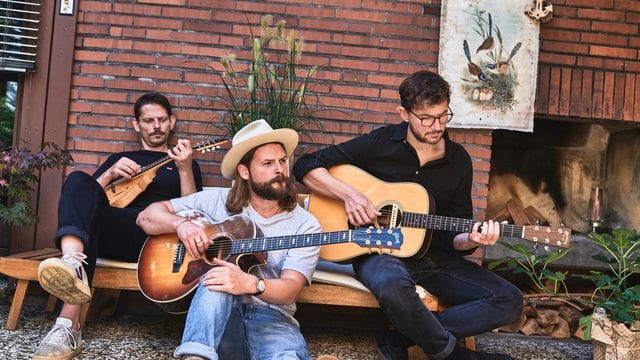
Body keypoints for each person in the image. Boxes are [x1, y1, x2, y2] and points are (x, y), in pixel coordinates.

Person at [293, 70, 523, 360]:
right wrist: (350, 195)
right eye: (426, 118)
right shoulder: (381, 143)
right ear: (404, 113)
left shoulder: (459, 160)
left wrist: (473, 238)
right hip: (378, 253)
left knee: (510, 300)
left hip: (436, 261)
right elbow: (306, 165)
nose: (436, 125)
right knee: (392, 284)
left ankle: (399, 340)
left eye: (442, 115)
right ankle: (451, 355)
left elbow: (456, 233)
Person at [33, 92, 203, 360]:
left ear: (172, 122)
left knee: (92, 226)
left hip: (156, 239)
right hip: (115, 233)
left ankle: (67, 325)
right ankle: (72, 262)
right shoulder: (120, 158)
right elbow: (87, 199)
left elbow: (193, 212)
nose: (156, 126)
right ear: (137, 124)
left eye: (161, 120)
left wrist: (184, 168)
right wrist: (111, 173)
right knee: (78, 180)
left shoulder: (185, 163)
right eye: (148, 120)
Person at [136, 119, 321, 360]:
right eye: (268, 163)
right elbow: (146, 217)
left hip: (273, 320)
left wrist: (249, 284)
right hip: (218, 317)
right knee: (218, 278)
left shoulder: (306, 224)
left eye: (282, 161)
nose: (280, 169)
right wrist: (182, 225)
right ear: (244, 172)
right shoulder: (217, 201)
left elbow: (289, 290)